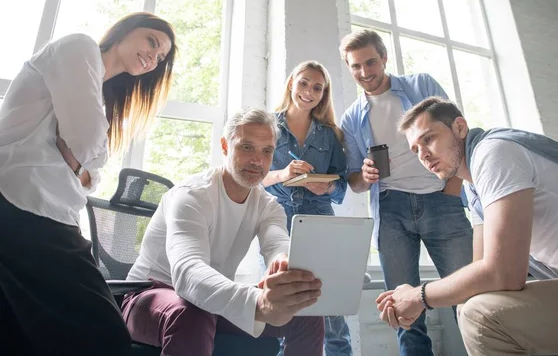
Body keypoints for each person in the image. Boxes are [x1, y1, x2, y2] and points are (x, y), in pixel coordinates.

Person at [0, 11, 177, 355]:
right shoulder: (79, 48)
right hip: (23, 203)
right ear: (124, 32)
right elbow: (85, 143)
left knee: (19, 331)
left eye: (160, 57)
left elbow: (89, 174)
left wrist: (80, 159)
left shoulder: (101, 94)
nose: (153, 58)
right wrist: (81, 158)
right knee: (104, 334)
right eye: (151, 42)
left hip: (43, 210)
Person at [378, 96, 558, 356]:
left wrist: (418, 296)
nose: (423, 155)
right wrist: (413, 299)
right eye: (415, 149)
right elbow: (483, 274)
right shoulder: (474, 190)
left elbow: (503, 273)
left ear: (460, 128)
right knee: (469, 305)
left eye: (428, 139)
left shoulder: (494, 152)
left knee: (479, 316)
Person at [123, 108, 325, 356]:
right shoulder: (192, 195)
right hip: (149, 294)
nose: (257, 161)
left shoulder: (268, 205)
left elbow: (277, 244)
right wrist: (258, 304)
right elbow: (188, 272)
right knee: (193, 312)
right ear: (225, 146)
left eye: (267, 151)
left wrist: (283, 268)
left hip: (207, 302)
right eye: (246, 147)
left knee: (307, 316)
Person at [338, 29, 472, 355]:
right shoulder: (352, 117)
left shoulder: (421, 85)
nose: (365, 72)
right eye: (356, 66)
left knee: (469, 298)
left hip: (442, 200)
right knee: (402, 310)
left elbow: (458, 132)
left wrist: (453, 190)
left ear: (384, 58)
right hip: (391, 207)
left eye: (371, 62)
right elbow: (353, 180)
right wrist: (364, 175)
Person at [262, 60, 350, 356]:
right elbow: (255, 179)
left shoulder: (330, 135)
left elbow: (342, 185)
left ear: (323, 94)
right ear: (291, 83)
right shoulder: (267, 127)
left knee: (331, 302)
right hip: (278, 218)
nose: (308, 92)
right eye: (304, 83)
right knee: (283, 301)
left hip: (320, 218)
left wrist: (328, 187)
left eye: (317, 88)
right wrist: (283, 174)